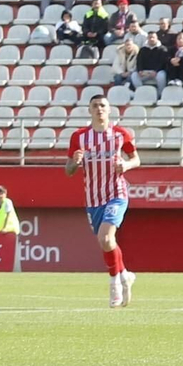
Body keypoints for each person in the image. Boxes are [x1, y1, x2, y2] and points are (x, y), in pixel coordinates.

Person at [66, 94, 141, 308]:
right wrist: (75, 162)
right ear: (89, 111)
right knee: (105, 242)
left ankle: (114, 285)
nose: (99, 109)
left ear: (109, 110)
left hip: (116, 193)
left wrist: (126, 166)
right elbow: (68, 169)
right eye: (95, 106)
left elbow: (136, 158)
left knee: (107, 238)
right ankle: (125, 275)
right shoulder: (79, 137)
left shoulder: (120, 134)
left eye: (103, 105)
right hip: (93, 198)